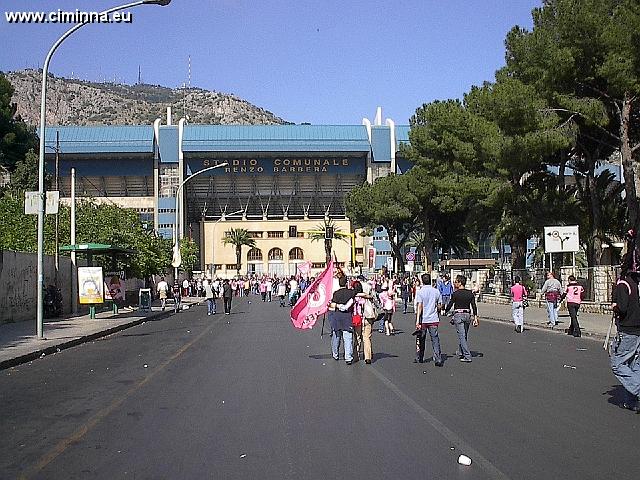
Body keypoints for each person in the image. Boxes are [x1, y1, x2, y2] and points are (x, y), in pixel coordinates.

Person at [610, 236, 640, 413]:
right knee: (635, 364)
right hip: (638, 329)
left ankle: (637, 391)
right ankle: (631, 400)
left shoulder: (623, 284)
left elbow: (622, 307)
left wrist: (615, 306)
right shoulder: (636, 283)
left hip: (628, 329)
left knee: (619, 364)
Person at [444, 275, 478, 363]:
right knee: (464, 335)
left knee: (462, 336)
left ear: (460, 283)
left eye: (456, 282)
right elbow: (474, 306)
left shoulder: (456, 294)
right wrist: (475, 317)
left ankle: (467, 355)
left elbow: (450, 304)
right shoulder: (470, 293)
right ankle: (460, 351)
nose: (454, 283)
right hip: (467, 315)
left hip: (458, 315)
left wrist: (445, 311)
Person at [414, 273, 443, 366]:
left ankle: (420, 357)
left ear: (422, 281)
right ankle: (438, 358)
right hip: (433, 319)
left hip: (423, 319)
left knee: (421, 339)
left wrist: (417, 320)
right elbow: (440, 305)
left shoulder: (421, 292)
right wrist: (437, 309)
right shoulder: (436, 291)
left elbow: (420, 306)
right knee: (435, 339)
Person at [328, 275, 355, 364]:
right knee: (348, 338)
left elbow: (332, 304)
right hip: (347, 317)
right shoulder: (351, 292)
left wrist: (338, 306)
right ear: (346, 283)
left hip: (337, 317)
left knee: (336, 336)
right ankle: (348, 357)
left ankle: (335, 354)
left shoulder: (336, 293)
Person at [358, 279, 377, 364]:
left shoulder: (356, 293)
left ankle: (356, 354)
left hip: (358, 315)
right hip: (368, 314)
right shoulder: (369, 288)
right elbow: (375, 300)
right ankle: (368, 356)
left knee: (357, 336)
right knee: (367, 337)